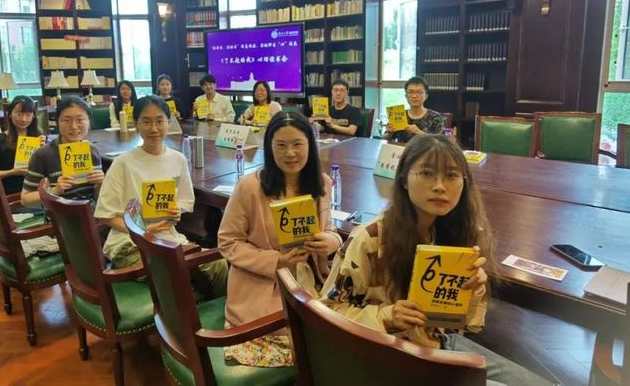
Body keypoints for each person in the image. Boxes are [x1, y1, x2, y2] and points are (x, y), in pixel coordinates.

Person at [321, 134, 551, 385]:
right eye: (427, 173)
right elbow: (327, 313)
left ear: (464, 183)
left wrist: (473, 291)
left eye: (451, 175)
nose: (440, 186)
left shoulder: (458, 234)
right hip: (384, 357)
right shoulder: (371, 238)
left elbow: (466, 324)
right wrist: (387, 315)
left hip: (435, 343)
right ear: (404, 179)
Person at [218, 111, 342, 367]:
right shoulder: (250, 187)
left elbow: (329, 228)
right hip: (264, 286)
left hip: (310, 280)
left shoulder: (321, 183)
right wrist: (277, 261)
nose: (290, 153)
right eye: (281, 145)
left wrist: (332, 241)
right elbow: (228, 242)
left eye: (298, 144)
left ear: (310, 145)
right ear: (269, 147)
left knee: (344, 335)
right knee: (308, 346)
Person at [94, 95, 227, 295]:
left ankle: (217, 313)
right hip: (129, 243)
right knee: (174, 273)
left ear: (169, 122)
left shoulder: (178, 159)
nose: (154, 128)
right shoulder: (123, 163)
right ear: (136, 124)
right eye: (146, 122)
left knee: (219, 264)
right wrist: (141, 230)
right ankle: (185, 312)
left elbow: (185, 201)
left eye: (159, 121)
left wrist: (176, 210)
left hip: (168, 239)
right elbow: (106, 215)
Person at [21, 96, 104, 207]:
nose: (74, 126)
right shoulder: (42, 154)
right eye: (66, 120)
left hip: (90, 212)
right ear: (57, 122)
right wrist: (55, 190)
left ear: (89, 121)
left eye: (80, 120)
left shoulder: (93, 151)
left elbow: (97, 198)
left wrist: (100, 184)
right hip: (58, 214)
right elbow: (25, 199)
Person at [0, 96, 44, 196]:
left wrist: (44, 150)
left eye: (28, 115)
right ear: (10, 114)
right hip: (11, 193)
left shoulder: (39, 138)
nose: (24, 119)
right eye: (19, 114)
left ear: (34, 116)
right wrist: (12, 172)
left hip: (37, 191)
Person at [383, 76, 445, 143]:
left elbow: (442, 143)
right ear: (406, 96)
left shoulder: (436, 118)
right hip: (403, 149)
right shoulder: (400, 115)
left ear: (426, 96)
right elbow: (383, 139)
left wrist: (420, 133)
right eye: (411, 92)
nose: (414, 96)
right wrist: (389, 133)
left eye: (419, 92)